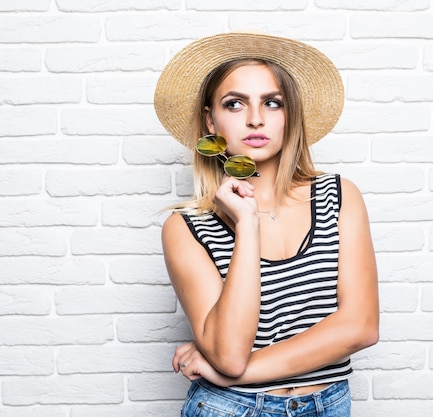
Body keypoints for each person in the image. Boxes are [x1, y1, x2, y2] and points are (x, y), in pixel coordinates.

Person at [154, 32, 379, 417]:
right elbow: (228, 354)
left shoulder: (338, 196)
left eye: (272, 103)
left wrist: (232, 375)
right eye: (235, 104)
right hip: (231, 409)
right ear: (211, 120)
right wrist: (246, 224)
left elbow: (360, 327)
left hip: (329, 404)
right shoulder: (186, 228)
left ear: (289, 115)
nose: (255, 118)